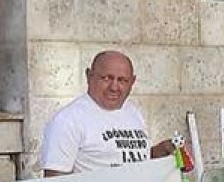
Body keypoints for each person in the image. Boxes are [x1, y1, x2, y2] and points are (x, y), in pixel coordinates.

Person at [38, 50, 176, 175]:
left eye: (122, 80)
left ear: (132, 82)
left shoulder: (133, 113)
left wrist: (159, 152)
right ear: (89, 76)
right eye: (107, 78)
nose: (114, 87)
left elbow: (129, 162)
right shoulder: (68, 120)